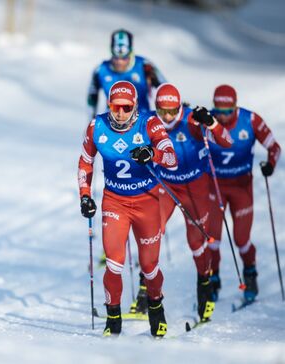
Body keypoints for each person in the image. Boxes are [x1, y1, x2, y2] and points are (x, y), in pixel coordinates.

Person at [78, 80, 177, 338]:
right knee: (114, 263)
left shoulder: (149, 123)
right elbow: (85, 162)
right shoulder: (96, 126)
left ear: (134, 106)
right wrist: (85, 195)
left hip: (147, 201)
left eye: (126, 107)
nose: (120, 113)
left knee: (149, 267)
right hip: (115, 201)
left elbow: (170, 156)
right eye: (115, 106)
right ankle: (113, 317)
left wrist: (151, 152)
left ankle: (156, 307)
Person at [153, 83, 233, 321]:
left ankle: (204, 287)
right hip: (165, 185)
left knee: (196, 241)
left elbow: (227, 141)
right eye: (162, 111)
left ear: (179, 106)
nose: (167, 116)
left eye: (172, 110)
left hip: (194, 186)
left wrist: (212, 122)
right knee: (150, 232)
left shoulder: (192, 120)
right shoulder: (150, 121)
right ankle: (146, 292)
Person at [206, 85, 281, 303]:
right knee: (212, 239)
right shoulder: (207, 121)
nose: (222, 115)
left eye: (227, 111)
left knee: (241, 239)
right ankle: (213, 278)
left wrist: (270, 164)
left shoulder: (250, 120)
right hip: (215, 185)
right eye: (218, 110)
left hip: (241, 186)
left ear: (235, 107)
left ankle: (250, 274)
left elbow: (274, 147)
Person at [87, 29, 165, 120]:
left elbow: (165, 88)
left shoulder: (144, 65)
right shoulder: (101, 70)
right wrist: (91, 122)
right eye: (116, 58)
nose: (120, 62)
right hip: (114, 123)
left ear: (131, 53)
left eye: (124, 58)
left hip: (142, 122)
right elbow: (91, 99)